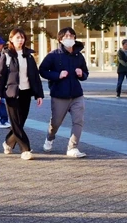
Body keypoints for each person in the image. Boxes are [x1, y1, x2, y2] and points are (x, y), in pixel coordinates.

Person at [0, 28, 44, 160]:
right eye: (17, 38)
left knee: (20, 122)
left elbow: (35, 76)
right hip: (12, 93)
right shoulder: (7, 55)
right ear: (11, 39)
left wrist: (39, 94)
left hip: (26, 92)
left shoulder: (29, 56)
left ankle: (8, 142)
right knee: (15, 122)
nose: (20, 40)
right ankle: (25, 149)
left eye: (22, 37)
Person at [38, 27, 89, 158]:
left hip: (77, 95)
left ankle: (73, 147)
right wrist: (57, 75)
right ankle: (50, 137)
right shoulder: (53, 55)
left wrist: (81, 74)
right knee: (56, 122)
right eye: (66, 36)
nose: (69, 38)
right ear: (60, 39)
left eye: (71, 36)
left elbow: (85, 73)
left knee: (78, 121)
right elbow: (42, 70)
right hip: (59, 95)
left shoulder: (78, 56)